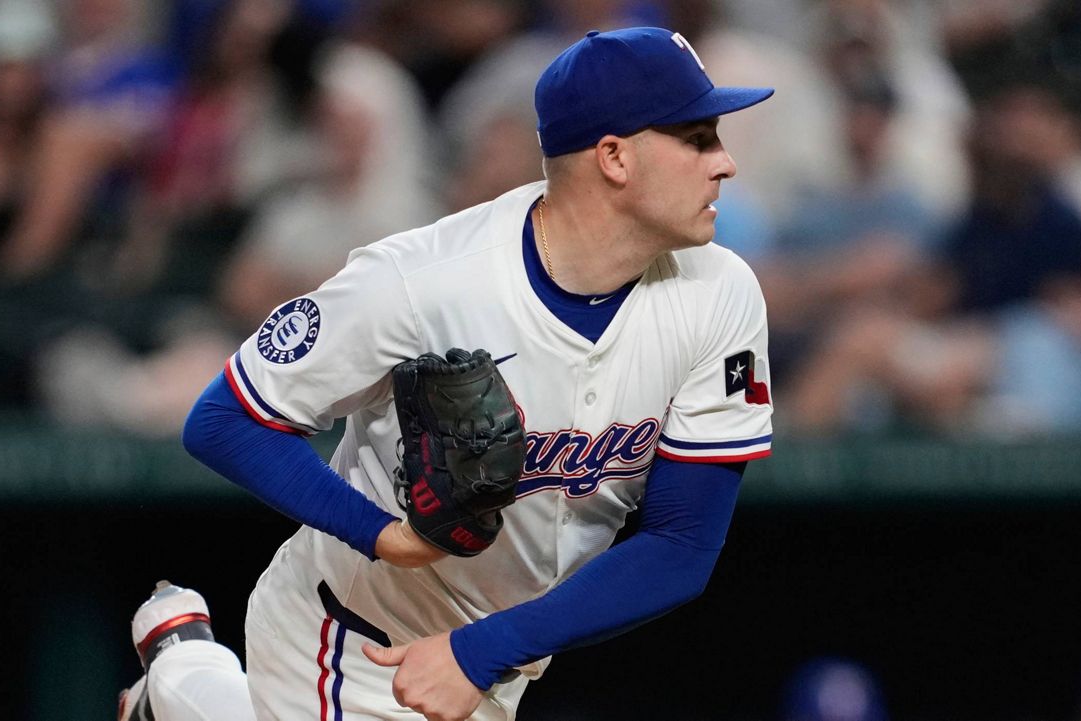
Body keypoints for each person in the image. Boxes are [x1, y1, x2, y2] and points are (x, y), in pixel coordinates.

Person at [164, 26, 774, 721]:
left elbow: (681, 544)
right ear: (614, 157)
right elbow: (223, 417)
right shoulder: (423, 281)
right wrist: (381, 533)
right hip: (351, 637)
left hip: (488, 658)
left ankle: (182, 679)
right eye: (697, 137)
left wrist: (486, 649)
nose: (724, 162)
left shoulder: (721, 294)